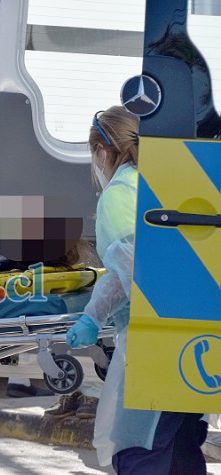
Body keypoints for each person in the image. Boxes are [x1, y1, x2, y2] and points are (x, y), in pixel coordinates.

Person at [65, 106, 208, 473]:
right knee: (181, 448)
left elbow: (130, 273)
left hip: (153, 345)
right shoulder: (164, 183)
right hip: (196, 341)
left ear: (101, 151)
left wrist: (92, 318)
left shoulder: (118, 196)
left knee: (136, 450)